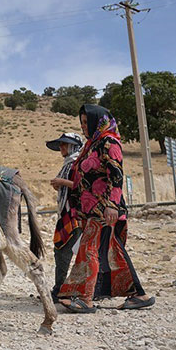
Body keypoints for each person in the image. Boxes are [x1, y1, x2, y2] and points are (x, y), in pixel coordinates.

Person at [58, 104, 155, 313]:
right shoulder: (92, 144)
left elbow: (116, 176)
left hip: (105, 209)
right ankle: (139, 295)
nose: (84, 126)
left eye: (87, 122)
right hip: (92, 209)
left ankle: (85, 298)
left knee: (89, 250)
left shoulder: (109, 142)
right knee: (112, 252)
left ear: (97, 121)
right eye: (82, 122)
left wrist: (111, 205)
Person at [46, 133, 84, 303]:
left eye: (64, 145)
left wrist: (61, 182)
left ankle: (61, 289)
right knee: (63, 251)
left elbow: (82, 186)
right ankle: (63, 288)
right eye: (61, 145)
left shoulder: (78, 163)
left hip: (74, 213)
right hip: (67, 213)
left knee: (64, 251)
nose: (61, 148)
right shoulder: (69, 163)